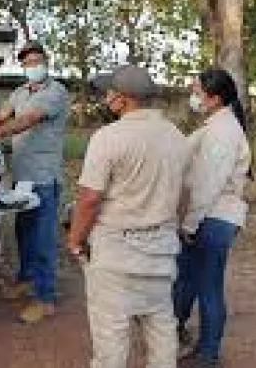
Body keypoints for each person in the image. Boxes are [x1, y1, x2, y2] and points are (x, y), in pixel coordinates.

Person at [67, 65, 188, 368]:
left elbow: (90, 199)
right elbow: (184, 194)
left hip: (116, 254)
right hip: (161, 250)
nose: (106, 97)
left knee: (111, 339)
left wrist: (75, 240)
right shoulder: (176, 136)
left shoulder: (108, 137)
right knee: (161, 329)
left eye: (109, 92)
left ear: (122, 99)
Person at [0, 40, 70, 324]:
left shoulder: (55, 92)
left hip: (44, 176)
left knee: (43, 239)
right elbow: (2, 114)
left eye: (37, 61)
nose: (32, 66)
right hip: (22, 178)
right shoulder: (20, 92)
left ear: (46, 62)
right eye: (27, 62)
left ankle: (46, 298)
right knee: (24, 233)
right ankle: (27, 280)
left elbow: (29, 120)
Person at [174, 68, 252, 368]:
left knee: (208, 286)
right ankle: (200, 346)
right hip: (211, 216)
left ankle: (209, 354)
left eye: (197, 92)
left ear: (215, 97)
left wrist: (190, 224)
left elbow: (209, 184)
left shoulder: (223, 131)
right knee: (189, 280)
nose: (193, 98)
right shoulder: (217, 125)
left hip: (213, 217)